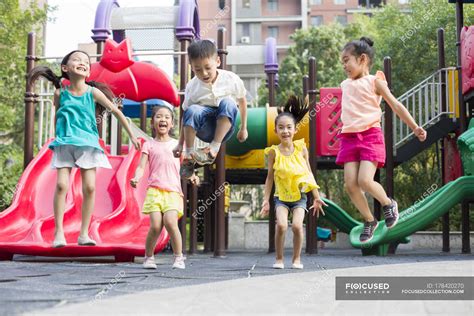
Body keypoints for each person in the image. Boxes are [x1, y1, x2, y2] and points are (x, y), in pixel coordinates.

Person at [28, 50, 140, 248]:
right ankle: (59, 232)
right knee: (62, 185)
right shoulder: (59, 94)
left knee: (89, 188)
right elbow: (58, 116)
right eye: (77, 60)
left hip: (88, 144)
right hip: (64, 143)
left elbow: (115, 110)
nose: (83, 63)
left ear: (88, 71)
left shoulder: (92, 93)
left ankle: (83, 234)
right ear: (65, 68)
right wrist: (56, 137)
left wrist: (131, 134)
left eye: (86, 62)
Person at [337, 37, 427, 243]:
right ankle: (369, 220)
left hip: (370, 136)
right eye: (342, 62)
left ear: (362, 59)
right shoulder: (345, 84)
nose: (344, 66)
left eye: (346, 60)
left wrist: (414, 127)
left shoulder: (375, 81)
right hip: (349, 137)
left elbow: (395, 105)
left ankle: (388, 204)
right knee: (350, 185)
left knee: (365, 180)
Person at [260, 96, 326, 270]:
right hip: (280, 196)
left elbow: (308, 173)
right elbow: (269, 177)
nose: (285, 131)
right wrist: (266, 200)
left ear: (295, 129)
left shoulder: (301, 149)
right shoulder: (274, 152)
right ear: (275, 130)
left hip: (299, 197)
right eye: (281, 128)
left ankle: (296, 259)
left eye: (289, 127)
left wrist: (317, 196)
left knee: (297, 226)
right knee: (281, 225)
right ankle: (279, 259)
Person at [130, 105, 199, 270]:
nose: (163, 120)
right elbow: (141, 166)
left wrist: (193, 176)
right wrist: (137, 177)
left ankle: (178, 257)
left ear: (172, 124)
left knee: (170, 222)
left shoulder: (177, 145)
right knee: (155, 225)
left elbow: (185, 168)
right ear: (153, 122)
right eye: (159, 117)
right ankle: (149, 257)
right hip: (154, 190)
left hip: (173, 192)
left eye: (167, 117)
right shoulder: (149, 145)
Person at [172, 39, 248, 177]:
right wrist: (180, 144)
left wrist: (243, 128)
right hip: (204, 127)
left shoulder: (231, 79)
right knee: (192, 109)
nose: (204, 74)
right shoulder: (192, 86)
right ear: (191, 67)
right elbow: (187, 117)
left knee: (228, 103)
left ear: (217, 62)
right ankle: (189, 157)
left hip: (225, 127)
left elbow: (242, 101)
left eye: (208, 68)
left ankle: (214, 148)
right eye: (198, 70)